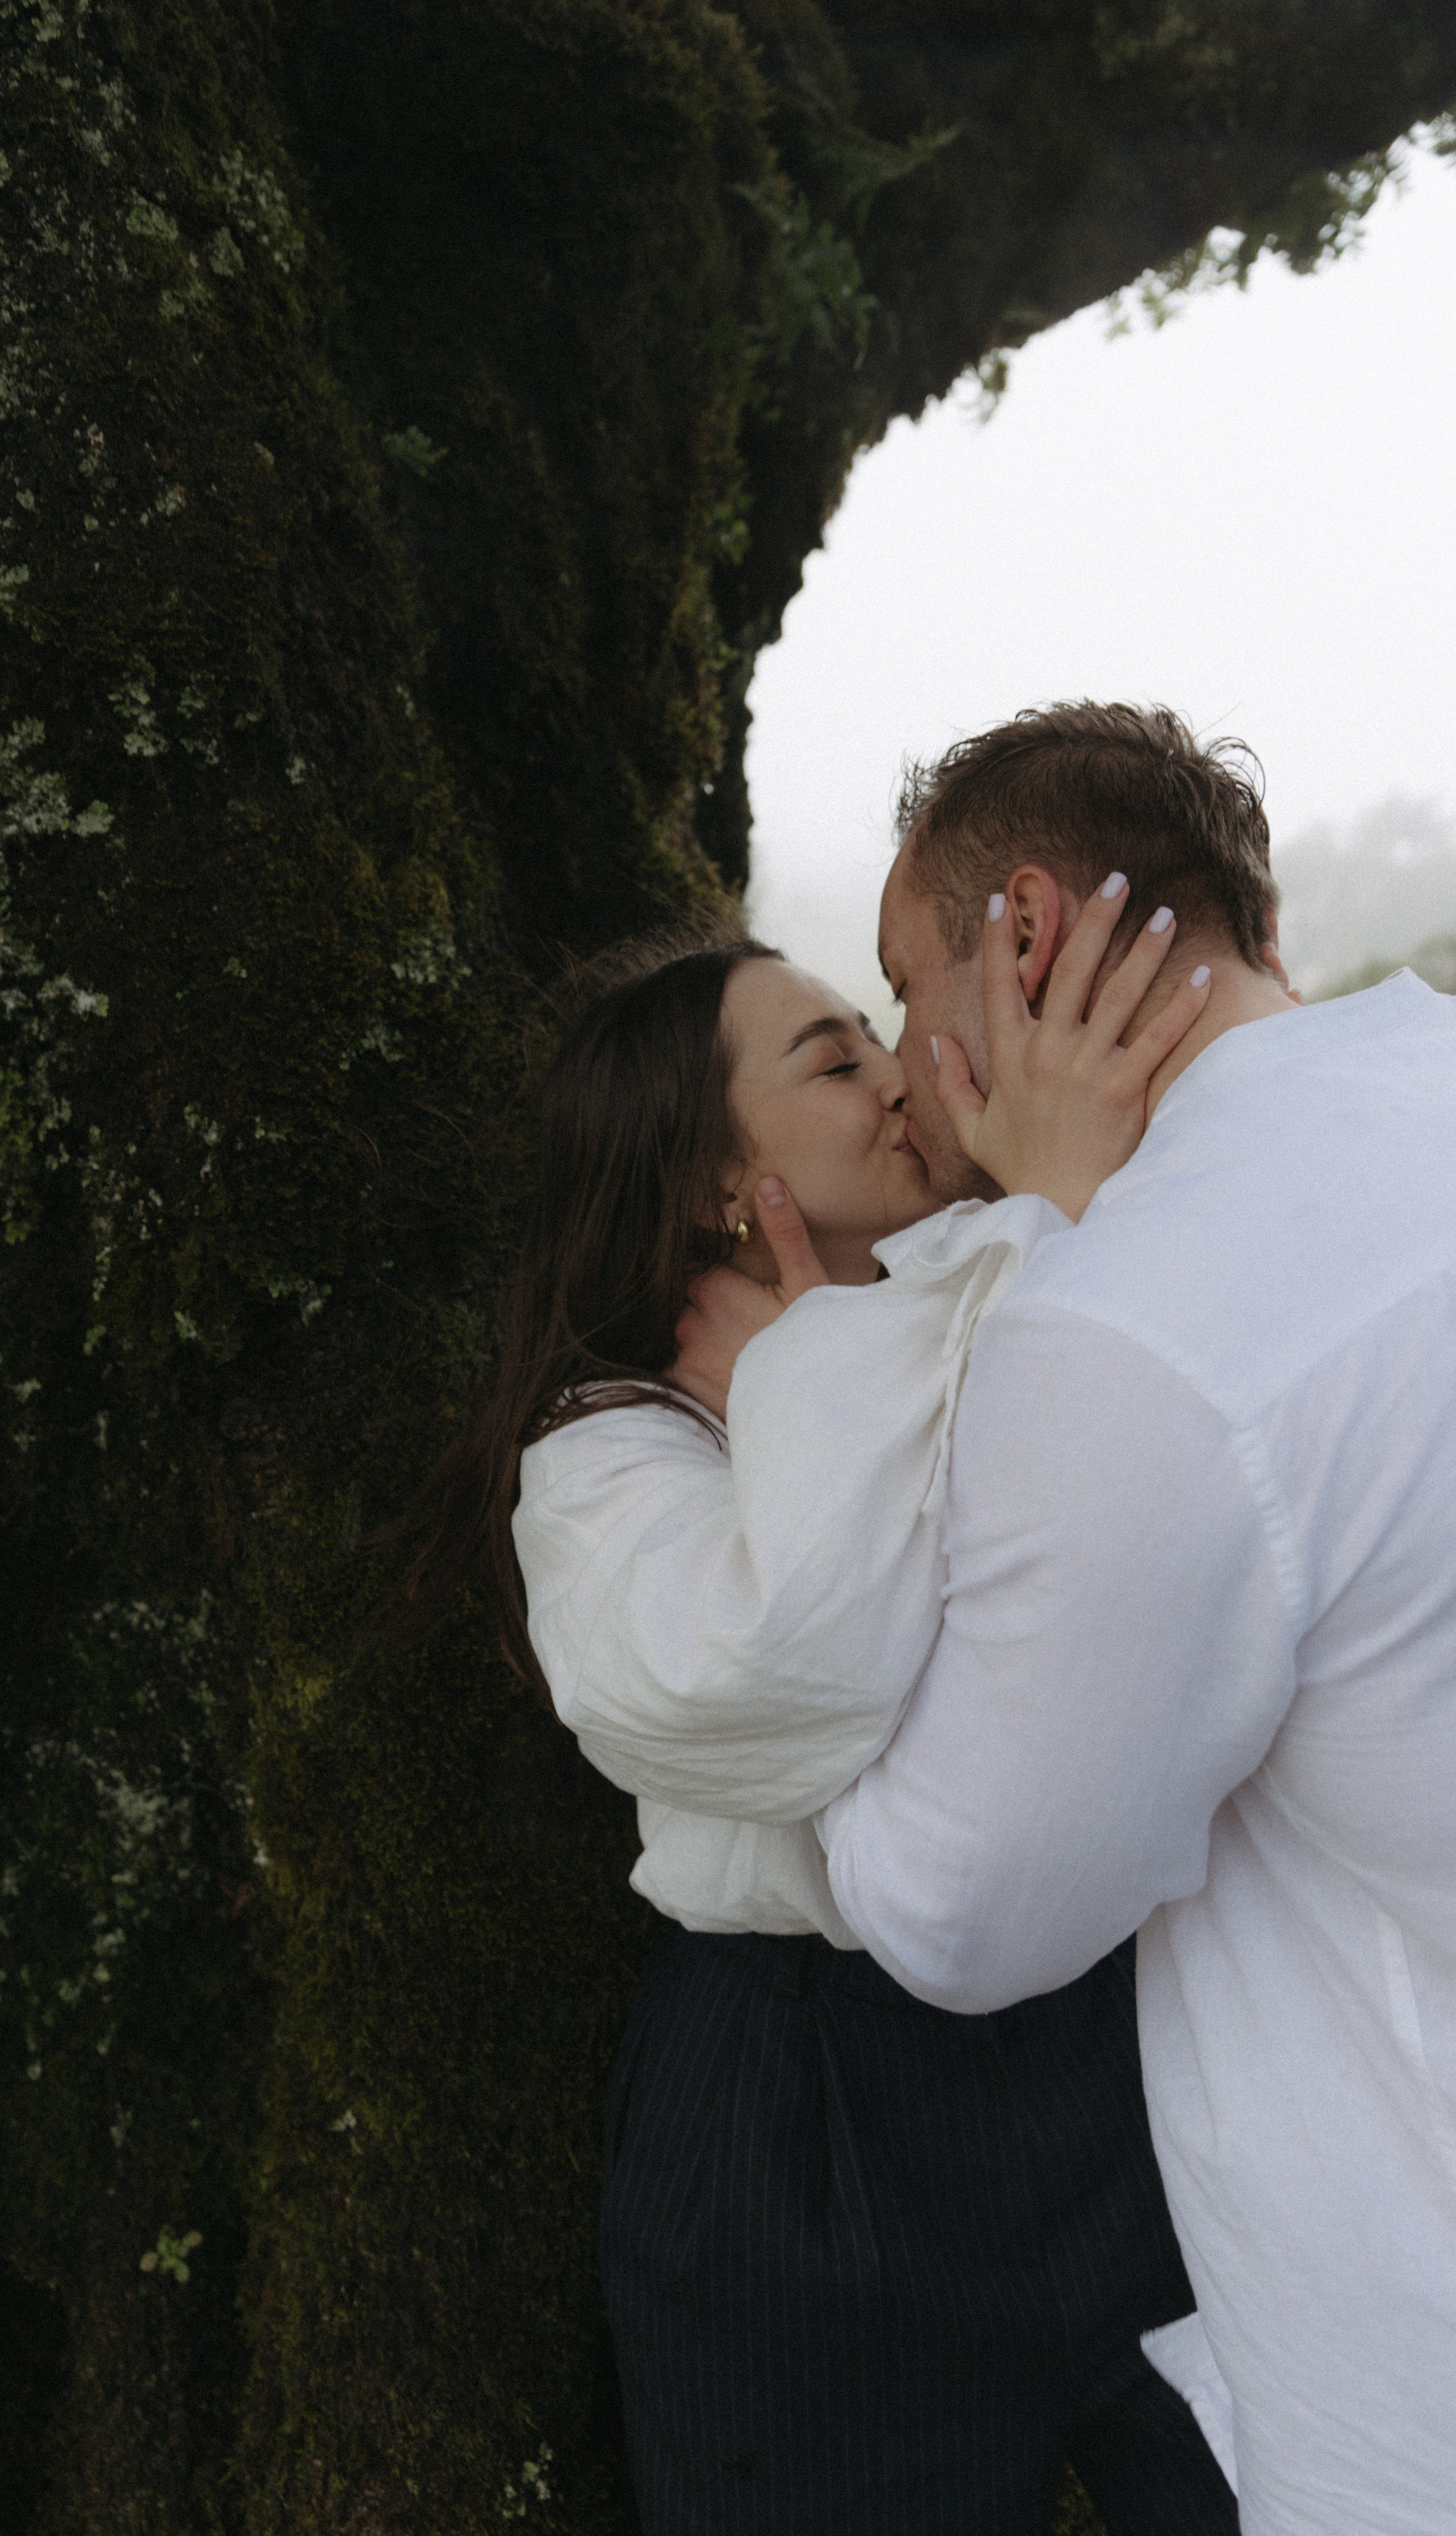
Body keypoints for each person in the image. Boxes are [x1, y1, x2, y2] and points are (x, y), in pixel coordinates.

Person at [673, 703, 1456, 2536]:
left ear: (1025, 941)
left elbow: (957, 1905)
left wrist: (807, 1487)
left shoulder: (1140, 1329)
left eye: (906, 986)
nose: (901, 1060)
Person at [410, 918, 1241, 2533]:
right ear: (713, 1178)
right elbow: (785, 1676)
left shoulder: (984, 1286)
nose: (898, 1075)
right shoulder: (605, 1463)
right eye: (831, 1059)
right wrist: (893, 1334)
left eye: (875, 1034)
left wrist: (840, 1354)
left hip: (1116, 2045)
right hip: (805, 2123)